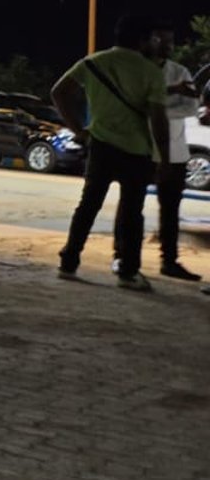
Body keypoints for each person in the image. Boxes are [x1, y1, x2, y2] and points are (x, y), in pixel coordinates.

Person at [50, 15, 173, 291]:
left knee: (88, 205)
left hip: (101, 145)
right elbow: (158, 118)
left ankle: (69, 261)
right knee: (132, 212)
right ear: (142, 41)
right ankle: (128, 272)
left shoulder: (94, 62)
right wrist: (164, 157)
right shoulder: (150, 72)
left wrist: (79, 130)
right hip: (136, 151)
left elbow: (59, 92)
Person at [149, 27, 202, 281]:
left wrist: (158, 113)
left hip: (174, 147)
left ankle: (169, 260)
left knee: (170, 206)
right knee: (131, 201)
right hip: (141, 145)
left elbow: (192, 106)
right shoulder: (139, 69)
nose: (168, 45)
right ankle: (122, 256)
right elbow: (139, 101)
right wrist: (172, 93)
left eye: (171, 41)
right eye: (162, 39)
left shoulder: (179, 71)